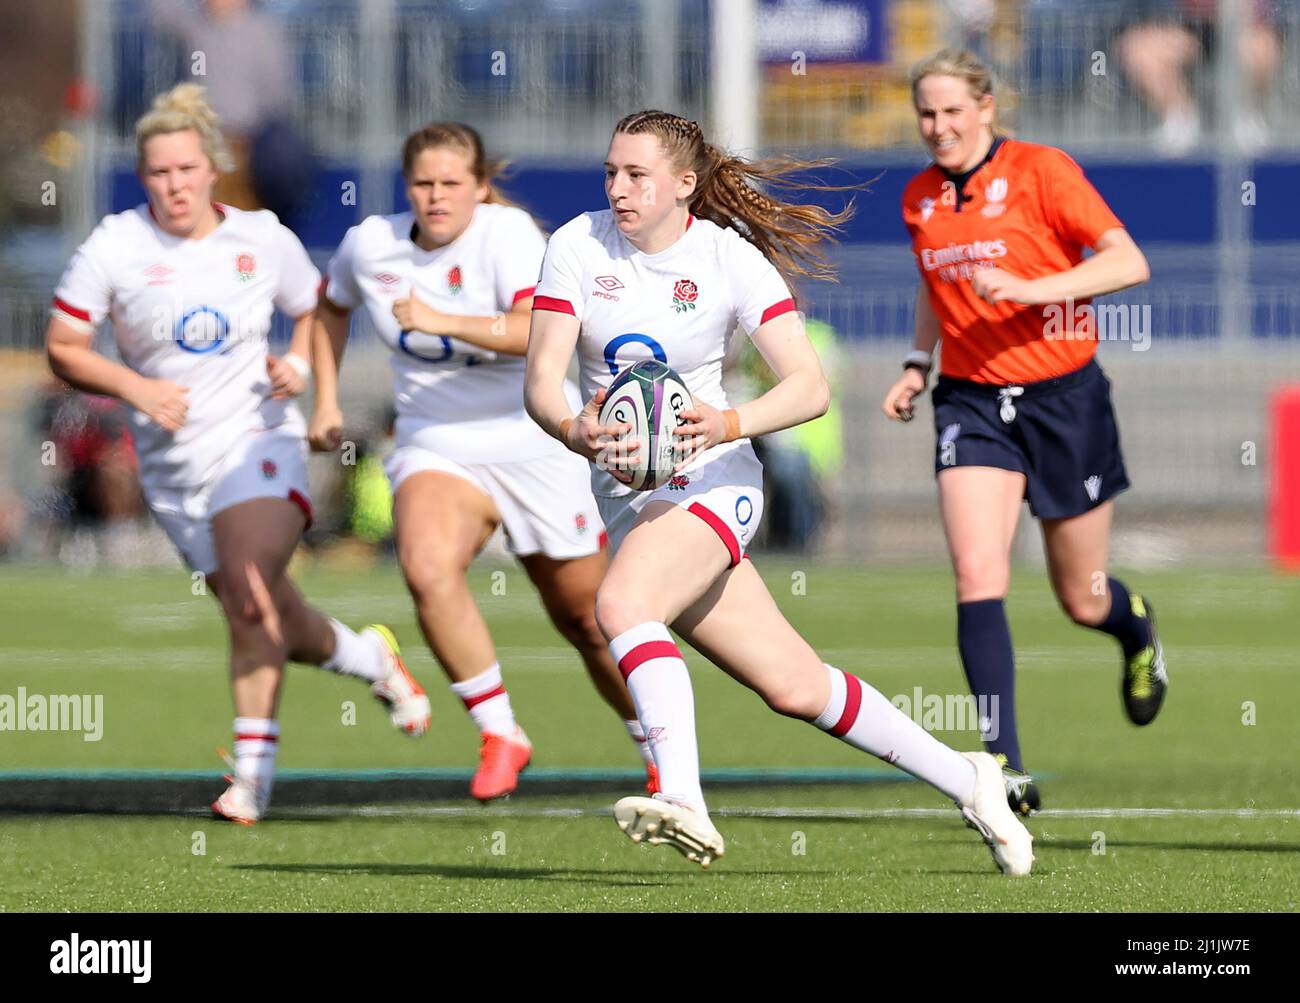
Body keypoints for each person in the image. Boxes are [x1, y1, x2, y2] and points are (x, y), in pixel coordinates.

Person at [524, 108, 1034, 874]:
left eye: (637, 174)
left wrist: (726, 420)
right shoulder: (575, 244)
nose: (618, 188)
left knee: (623, 607)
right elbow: (540, 381)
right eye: (610, 172)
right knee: (797, 687)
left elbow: (809, 387)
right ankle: (971, 779)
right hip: (630, 498)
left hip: (716, 480)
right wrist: (575, 428)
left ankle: (686, 799)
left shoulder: (730, 261)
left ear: (683, 185)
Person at [44, 84, 430, 825]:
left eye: (187, 169)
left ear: (212, 166)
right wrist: (135, 385)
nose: (174, 185)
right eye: (158, 173)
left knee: (252, 596)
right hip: (173, 471)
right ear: (141, 175)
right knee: (269, 611)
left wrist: (306, 373)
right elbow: (63, 347)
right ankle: (371, 657)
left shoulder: (260, 238)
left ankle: (250, 779)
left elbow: (320, 307)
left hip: (260, 441)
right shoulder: (116, 244)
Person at [310, 122, 656, 803]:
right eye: (422, 184)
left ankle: (656, 743)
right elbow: (328, 307)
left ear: (480, 186)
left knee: (588, 617)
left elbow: (536, 331)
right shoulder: (372, 244)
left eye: (451, 184)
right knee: (426, 566)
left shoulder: (508, 237)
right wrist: (322, 397)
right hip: (435, 437)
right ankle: (501, 731)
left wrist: (444, 319)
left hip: (534, 433)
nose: (435, 197)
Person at [881, 49, 1167, 815]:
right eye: (926, 113)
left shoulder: (1043, 171)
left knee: (1083, 596)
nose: (937, 126)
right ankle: (1000, 768)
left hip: (1064, 398)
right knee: (979, 574)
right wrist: (918, 362)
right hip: (971, 402)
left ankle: (1137, 632)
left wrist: (1031, 288)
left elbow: (1126, 261)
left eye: (950, 111)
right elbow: (934, 284)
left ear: (985, 108)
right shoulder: (920, 198)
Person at [1115, 0, 1281, 156]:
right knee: (1140, 50)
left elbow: (1258, 11)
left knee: (1261, 46)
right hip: (1183, 24)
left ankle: (1245, 117)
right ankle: (1180, 118)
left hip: (1240, 27)